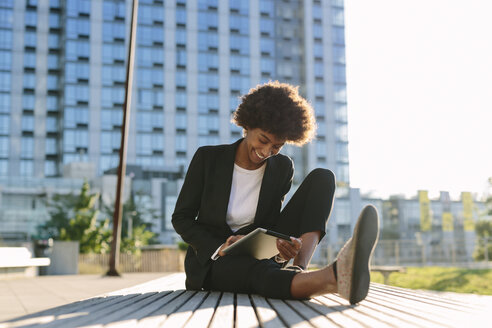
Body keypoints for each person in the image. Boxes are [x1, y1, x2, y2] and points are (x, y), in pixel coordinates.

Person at [172, 81, 379, 304]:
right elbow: (181, 218)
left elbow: (269, 226)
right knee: (252, 270)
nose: (266, 152)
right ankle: (332, 277)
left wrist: (283, 251)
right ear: (247, 125)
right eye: (263, 140)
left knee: (323, 177)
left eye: (277, 146)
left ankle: (300, 268)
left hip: (259, 252)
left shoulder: (282, 167)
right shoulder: (208, 158)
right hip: (214, 261)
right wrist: (219, 247)